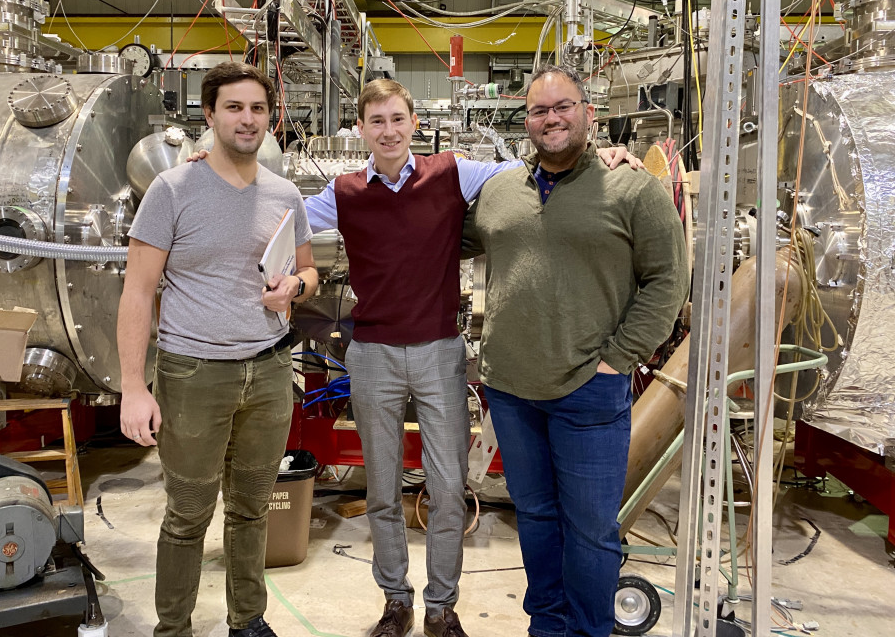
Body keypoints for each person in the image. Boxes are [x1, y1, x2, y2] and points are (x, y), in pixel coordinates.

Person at [190, 78, 635, 637]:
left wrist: (604, 155)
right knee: (382, 488)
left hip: (439, 353)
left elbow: (533, 171)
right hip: (372, 354)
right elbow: (279, 216)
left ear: (414, 123)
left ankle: (442, 606)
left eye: (398, 119)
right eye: (376, 121)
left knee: (448, 488)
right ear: (361, 130)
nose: (389, 131)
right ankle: (395, 600)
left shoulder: (452, 173)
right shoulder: (343, 194)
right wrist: (216, 175)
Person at [461, 65, 689, 637]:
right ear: (527, 122)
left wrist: (620, 357)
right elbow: (429, 231)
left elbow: (668, 279)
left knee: (590, 530)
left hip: (590, 388)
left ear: (589, 113)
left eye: (564, 107)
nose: (552, 119)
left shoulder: (633, 189)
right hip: (512, 389)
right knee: (535, 517)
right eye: (540, 111)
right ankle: (548, 627)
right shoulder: (499, 192)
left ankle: (591, 630)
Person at [116, 61, 318, 637]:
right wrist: (134, 386)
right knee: (187, 513)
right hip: (193, 373)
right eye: (234, 108)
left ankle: (247, 619)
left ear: (270, 118)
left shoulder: (283, 193)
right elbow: (136, 291)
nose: (246, 119)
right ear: (209, 115)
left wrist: (294, 289)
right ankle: (174, 627)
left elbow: (307, 274)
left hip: (271, 368)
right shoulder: (173, 189)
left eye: (257, 108)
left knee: (252, 507)